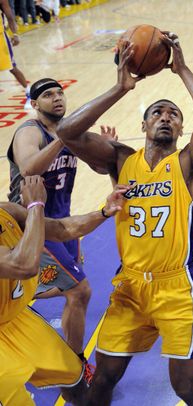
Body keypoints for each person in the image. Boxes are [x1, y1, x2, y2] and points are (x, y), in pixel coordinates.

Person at [56, 32, 193, 405]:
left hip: (178, 289)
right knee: (101, 383)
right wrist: (120, 89)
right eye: (157, 113)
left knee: (187, 388)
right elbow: (66, 131)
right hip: (130, 289)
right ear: (144, 126)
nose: (165, 117)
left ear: (181, 130)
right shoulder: (120, 160)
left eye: (173, 115)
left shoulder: (189, 164)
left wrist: (180, 69)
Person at [7, 78, 116, 379]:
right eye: (47, 95)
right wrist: (63, 138)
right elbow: (29, 168)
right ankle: (76, 365)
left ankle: (15, 293)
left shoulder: (68, 129)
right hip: (31, 221)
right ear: (34, 104)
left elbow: (100, 167)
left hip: (63, 222)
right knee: (80, 291)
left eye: (59, 92)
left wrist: (105, 150)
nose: (56, 98)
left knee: (65, 288)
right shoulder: (29, 132)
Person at [0, 174, 131, 406]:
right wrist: (36, 205)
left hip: (17, 320)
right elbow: (25, 265)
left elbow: (62, 229)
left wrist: (104, 212)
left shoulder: (6, 212)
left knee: (74, 375)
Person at [0, 0, 31, 108]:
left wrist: (15, 34)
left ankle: (29, 93)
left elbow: (9, 16)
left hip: (0, 39)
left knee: (12, 68)